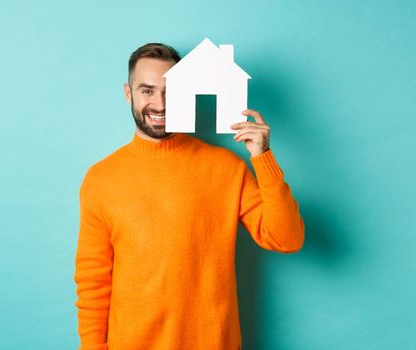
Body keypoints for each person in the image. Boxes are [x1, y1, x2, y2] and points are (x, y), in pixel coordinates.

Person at [73, 43, 305, 350]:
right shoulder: (101, 178)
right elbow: (93, 282)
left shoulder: (226, 168)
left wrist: (263, 158)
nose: (159, 103)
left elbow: (287, 239)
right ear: (129, 94)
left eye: (170, 91)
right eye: (147, 90)